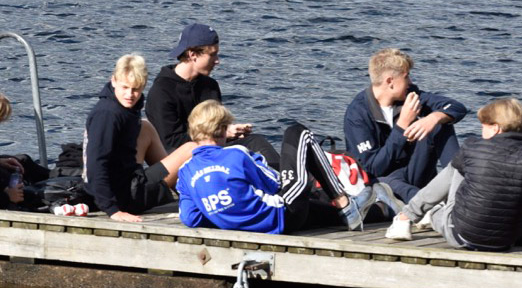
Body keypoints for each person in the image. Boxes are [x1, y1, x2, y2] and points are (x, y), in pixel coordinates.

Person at [384, 98, 522, 260]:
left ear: (496, 128)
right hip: (505, 241)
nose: (481, 131)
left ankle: (409, 216)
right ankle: (419, 213)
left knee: (456, 169)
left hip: (462, 235)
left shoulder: (472, 146)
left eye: (484, 126)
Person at [175, 101, 391, 234]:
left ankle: (378, 211)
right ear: (223, 130)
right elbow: (275, 183)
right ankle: (345, 202)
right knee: (297, 133)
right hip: (282, 215)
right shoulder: (236, 154)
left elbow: (190, 218)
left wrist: (228, 214)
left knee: (328, 215)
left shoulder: (185, 171)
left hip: (261, 222)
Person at [342, 48, 468, 203]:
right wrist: (402, 125)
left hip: (414, 171)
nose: (410, 82)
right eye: (406, 76)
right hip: (382, 182)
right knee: (387, 183)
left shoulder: (410, 95)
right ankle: (432, 205)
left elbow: (456, 107)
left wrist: (434, 118)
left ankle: (461, 190)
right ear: (390, 82)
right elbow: (373, 168)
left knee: (440, 123)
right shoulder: (357, 114)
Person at [84, 54, 194, 222]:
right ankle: (197, 195)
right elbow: (95, 164)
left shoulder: (124, 109)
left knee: (145, 127)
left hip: (126, 183)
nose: (130, 94)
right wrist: (112, 210)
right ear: (113, 81)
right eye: (125, 87)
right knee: (191, 148)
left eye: (136, 89)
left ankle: (182, 191)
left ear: (143, 86)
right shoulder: (108, 114)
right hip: (124, 198)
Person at [145, 23, 254, 150]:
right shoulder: (162, 92)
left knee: (254, 141)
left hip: (212, 150)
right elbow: (171, 142)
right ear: (192, 55)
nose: (217, 60)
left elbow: (216, 126)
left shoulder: (210, 86)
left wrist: (231, 132)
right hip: (179, 156)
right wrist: (221, 133)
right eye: (212, 54)